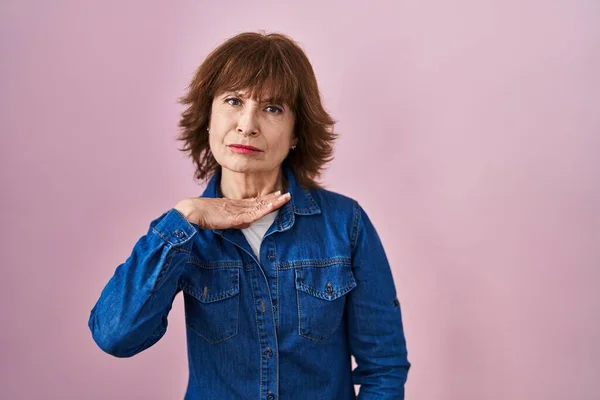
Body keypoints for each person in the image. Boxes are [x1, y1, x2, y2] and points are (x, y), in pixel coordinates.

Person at [88, 31, 411, 399]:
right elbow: (115, 335)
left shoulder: (345, 224)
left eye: (272, 108)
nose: (247, 123)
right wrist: (186, 217)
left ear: (296, 133)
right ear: (208, 117)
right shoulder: (183, 234)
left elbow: (383, 366)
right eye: (233, 100)